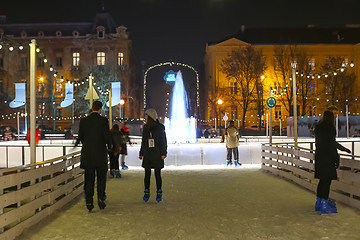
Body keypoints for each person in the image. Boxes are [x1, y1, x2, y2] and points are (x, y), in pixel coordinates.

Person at [75, 101, 111, 212]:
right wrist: (109, 145)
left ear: (92, 108)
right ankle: (100, 198)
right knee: (101, 178)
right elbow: (106, 136)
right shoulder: (103, 121)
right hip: (100, 154)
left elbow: (81, 136)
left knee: (89, 178)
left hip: (88, 154)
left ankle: (89, 201)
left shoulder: (84, 121)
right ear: (100, 109)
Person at [314, 110, 351, 214]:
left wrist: (343, 148)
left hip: (319, 156)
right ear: (331, 117)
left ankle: (319, 203)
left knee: (322, 181)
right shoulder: (330, 128)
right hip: (327, 157)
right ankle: (324, 205)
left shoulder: (319, 127)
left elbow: (327, 142)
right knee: (327, 181)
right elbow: (331, 143)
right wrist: (336, 158)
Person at [139, 109, 167, 203]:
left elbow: (163, 141)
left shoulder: (160, 127)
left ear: (150, 116)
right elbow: (144, 141)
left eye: (146, 115)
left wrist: (163, 153)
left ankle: (159, 191)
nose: (145, 117)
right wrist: (141, 152)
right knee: (147, 174)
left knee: (157, 174)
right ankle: (146, 191)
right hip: (148, 153)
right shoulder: (146, 127)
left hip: (157, 153)